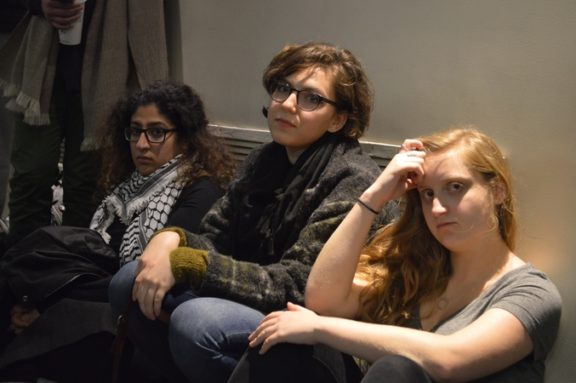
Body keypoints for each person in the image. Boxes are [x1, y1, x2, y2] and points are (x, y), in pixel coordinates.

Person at [109, 42, 397, 383]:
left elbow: (299, 287)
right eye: (282, 89)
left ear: (338, 120)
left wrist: (187, 262)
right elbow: (213, 235)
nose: (288, 105)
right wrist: (171, 238)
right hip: (261, 301)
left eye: (311, 98)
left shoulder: (353, 178)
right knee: (129, 279)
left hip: (322, 333)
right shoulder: (265, 160)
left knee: (197, 322)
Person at [230, 126, 563, 383]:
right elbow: (323, 300)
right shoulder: (420, 269)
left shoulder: (532, 291)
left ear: (497, 190)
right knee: (286, 343)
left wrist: (319, 328)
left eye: (456, 187)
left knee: (397, 369)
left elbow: (450, 360)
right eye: (427, 194)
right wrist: (375, 196)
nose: (437, 207)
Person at [0, 80, 235, 383]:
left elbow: (137, 281)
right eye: (135, 131)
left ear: (186, 138)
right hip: (98, 295)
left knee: (27, 345)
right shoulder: (128, 187)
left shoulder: (200, 190)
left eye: (157, 132)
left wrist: (46, 305)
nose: (141, 144)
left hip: (140, 312)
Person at [0, 0, 169, 251]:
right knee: (31, 175)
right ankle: (23, 269)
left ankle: (74, 270)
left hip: (107, 71)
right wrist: (39, 5)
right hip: (41, 70)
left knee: (88, 183)